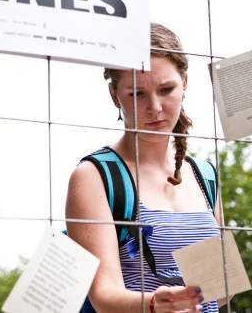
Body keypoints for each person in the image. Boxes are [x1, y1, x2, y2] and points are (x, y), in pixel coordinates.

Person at [65, 23, 223, 312]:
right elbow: (103, 295)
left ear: (185, 82)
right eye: (137, 94)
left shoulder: (205, 175)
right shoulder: (95, 176)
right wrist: (153, 304)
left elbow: (221, 293)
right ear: (114, 95)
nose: (155, 107)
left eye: (166, 89)